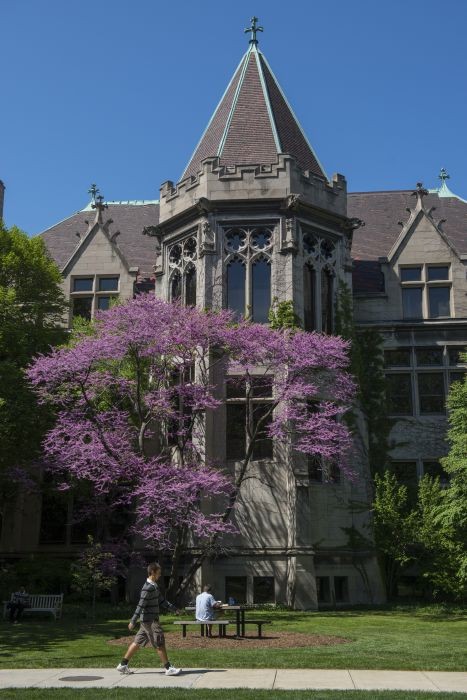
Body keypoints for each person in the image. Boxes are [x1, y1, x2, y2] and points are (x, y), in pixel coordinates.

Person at [116, 562, 181, 676]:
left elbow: (161, 601)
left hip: (147, 621)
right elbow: (140, 605)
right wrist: (133, 621)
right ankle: (168, 668)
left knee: (137, 642)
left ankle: (123, 665)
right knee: (159, 642)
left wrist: (174, 609)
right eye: (159, 573)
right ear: (152, 572)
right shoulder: (147, 588)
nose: (160, 575)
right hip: (150, 621)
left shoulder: (154, 586)